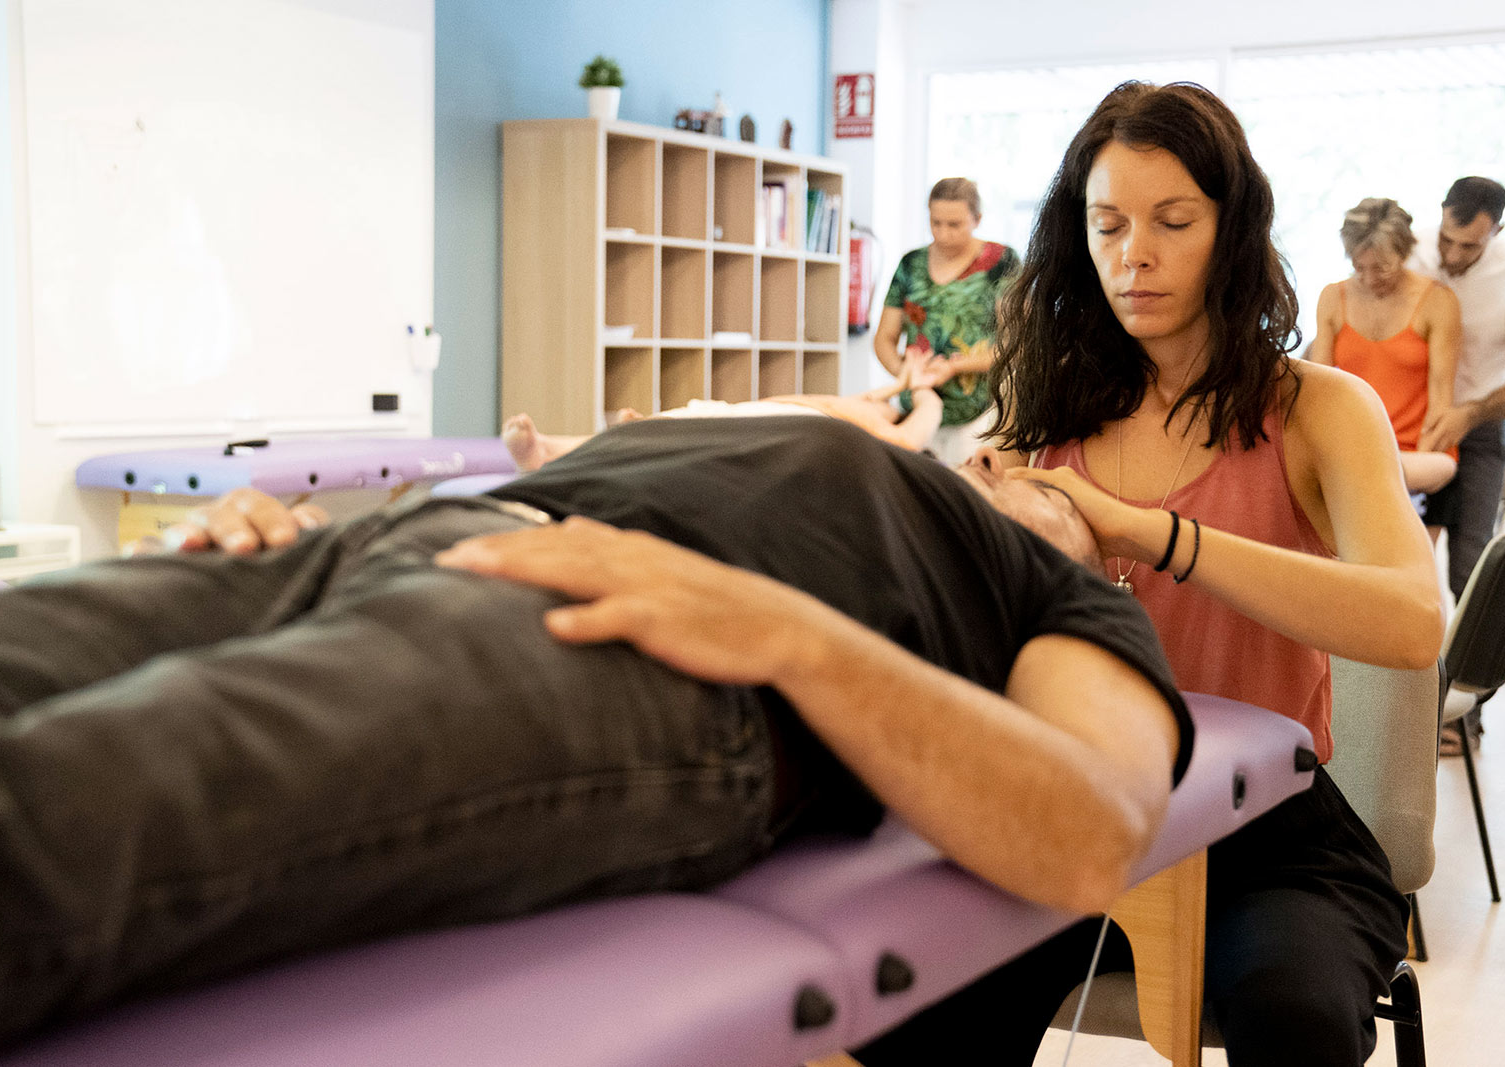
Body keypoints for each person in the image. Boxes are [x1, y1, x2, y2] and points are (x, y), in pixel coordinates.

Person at [0, 415, 1188, 1047]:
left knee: (85, 798)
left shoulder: (1063, 599)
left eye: (1056, 491)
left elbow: (1091, 831)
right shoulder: (852, 442)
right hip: (386, 543)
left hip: (627, 638)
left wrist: (786, 632)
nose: (1017, 469)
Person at [854, 82, 1445, 1067]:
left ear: (1231, 231)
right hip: (1077, 814)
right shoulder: (1040, 412)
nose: (1135, 253)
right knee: (902, 1008)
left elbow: (1413, 620)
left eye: (1173, 221)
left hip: (1271, 835)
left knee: (1294, 1016)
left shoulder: (1318, 409)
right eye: (1108, 225)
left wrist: (1149, 533)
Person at [1408, 177, 1505, 752]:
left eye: (1468, 246)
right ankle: (1395, 710)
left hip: (1480, 431)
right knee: (1404, 567)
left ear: (1497, 231)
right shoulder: (1411, 250)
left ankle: (1462, 716)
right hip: (1412, 425)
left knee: (1470, 574)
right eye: (1447, 239)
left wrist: (1467, 416)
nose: (1451, 254)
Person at [501, 350, 951, 471]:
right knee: (671, 425)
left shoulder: (888, 429)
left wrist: (925, 389)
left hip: (784, 429)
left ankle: (546, 451)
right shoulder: (868, 405)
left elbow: (910, 437)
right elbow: (878, 394)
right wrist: (903, 381)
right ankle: (552, 449)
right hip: (752, 414)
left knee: (672, 433)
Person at [1308, 197, 1462, 502]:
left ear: (1403, 254)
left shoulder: (1438, 301)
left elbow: (1440, 405)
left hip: (1416, 456)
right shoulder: (1332, 297)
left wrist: (1417, 466)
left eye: (1381, 268)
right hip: (1352, 451)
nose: (1369, 279)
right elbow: (1318, 393)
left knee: (1380, 472)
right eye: (1358, 267)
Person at [872, 177, 1021, 457]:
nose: (943, 234)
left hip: (978, 416)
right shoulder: (911, 264)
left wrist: (956, 366)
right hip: (916, 410)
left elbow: (1015, 344)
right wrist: (906, 374)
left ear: (977, 219)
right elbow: (884, 338)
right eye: (935, 223)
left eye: (954, 225)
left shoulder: (1002, 262)